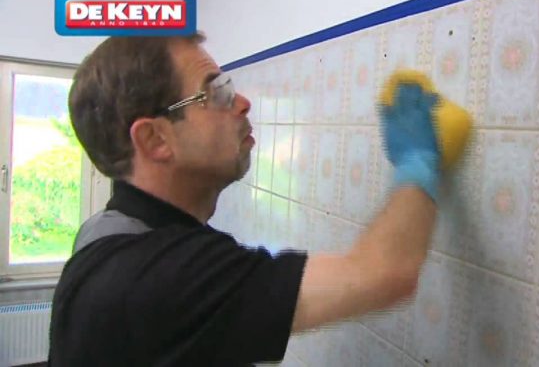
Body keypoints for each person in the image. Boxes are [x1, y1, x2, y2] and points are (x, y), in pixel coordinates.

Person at [48, 32, 465, 366]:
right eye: (215, 92)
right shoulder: (164, 277)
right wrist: (417, 162)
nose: (243, 102)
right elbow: (383, 274)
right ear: (155, 138)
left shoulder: (106, 229)